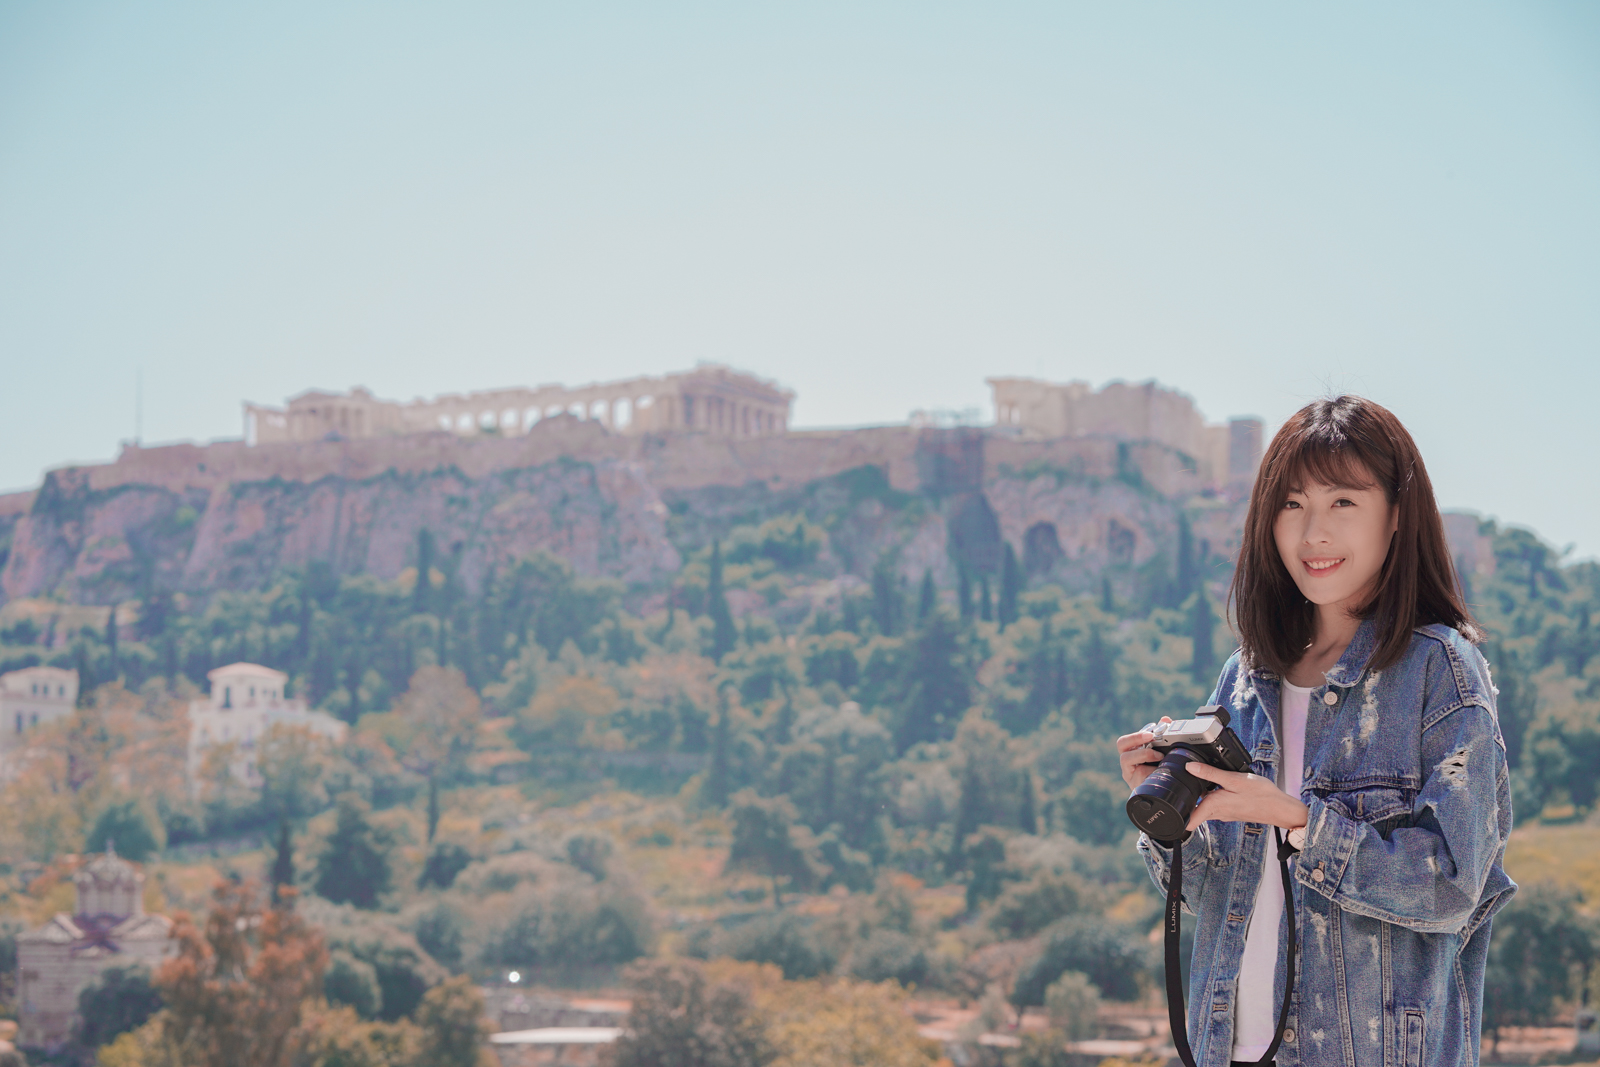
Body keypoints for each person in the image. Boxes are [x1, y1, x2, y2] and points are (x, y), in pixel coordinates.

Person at [1118, 395, 1514, 1067]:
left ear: (1396, 515)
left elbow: (1452, 887)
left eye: (1343, 503)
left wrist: (1300, 821)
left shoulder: (1440, 668)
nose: (1313, 534)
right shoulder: (1243, 678)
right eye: (1292, 504)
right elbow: (1214, 890)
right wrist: (1170, 820)